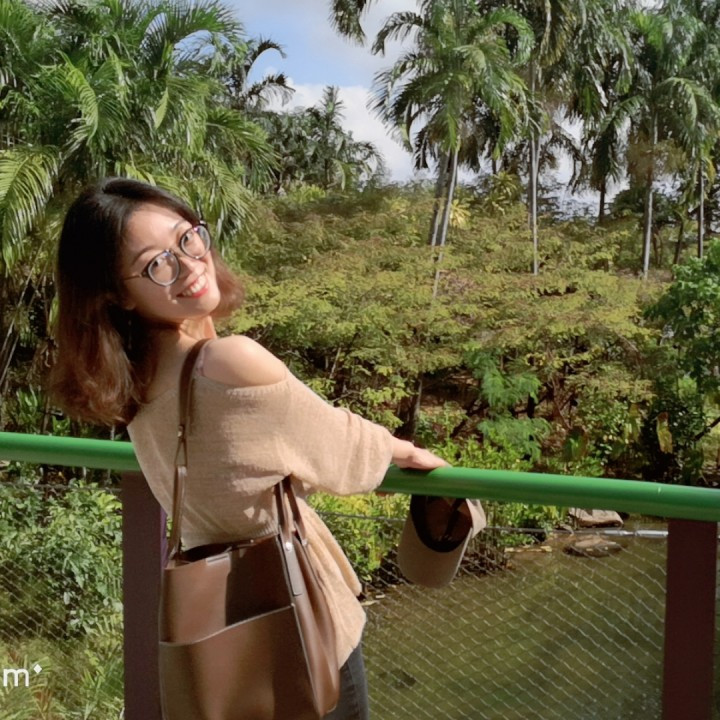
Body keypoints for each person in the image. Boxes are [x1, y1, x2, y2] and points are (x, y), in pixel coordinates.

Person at [49, 177, 448, 720]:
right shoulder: (229, 361)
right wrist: (400, 450)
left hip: (222, 622)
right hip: (299, 613)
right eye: (157, 264)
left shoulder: (136, 382)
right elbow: (338, 449)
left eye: (188, 237)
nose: (189, 264)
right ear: (117, 293)